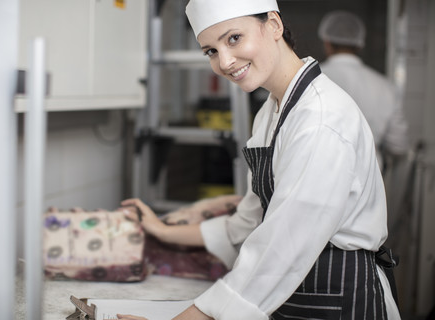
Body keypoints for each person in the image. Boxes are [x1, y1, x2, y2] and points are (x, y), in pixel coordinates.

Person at [118, 0, 401, 319]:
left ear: (274, 25)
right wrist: (163, 230)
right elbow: (247, 222)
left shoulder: (321, 120)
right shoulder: (271, 111)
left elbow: (282, 247)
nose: (224, 61)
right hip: (296, 294)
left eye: (234, 38)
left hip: (338, 299)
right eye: (210, 50)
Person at [318, 10, 409, 170]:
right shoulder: (384, 86)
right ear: (360, 44)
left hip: (320, 172)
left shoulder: (311, 78)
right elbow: (398, 145)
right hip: (369, 177)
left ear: (326, 42)